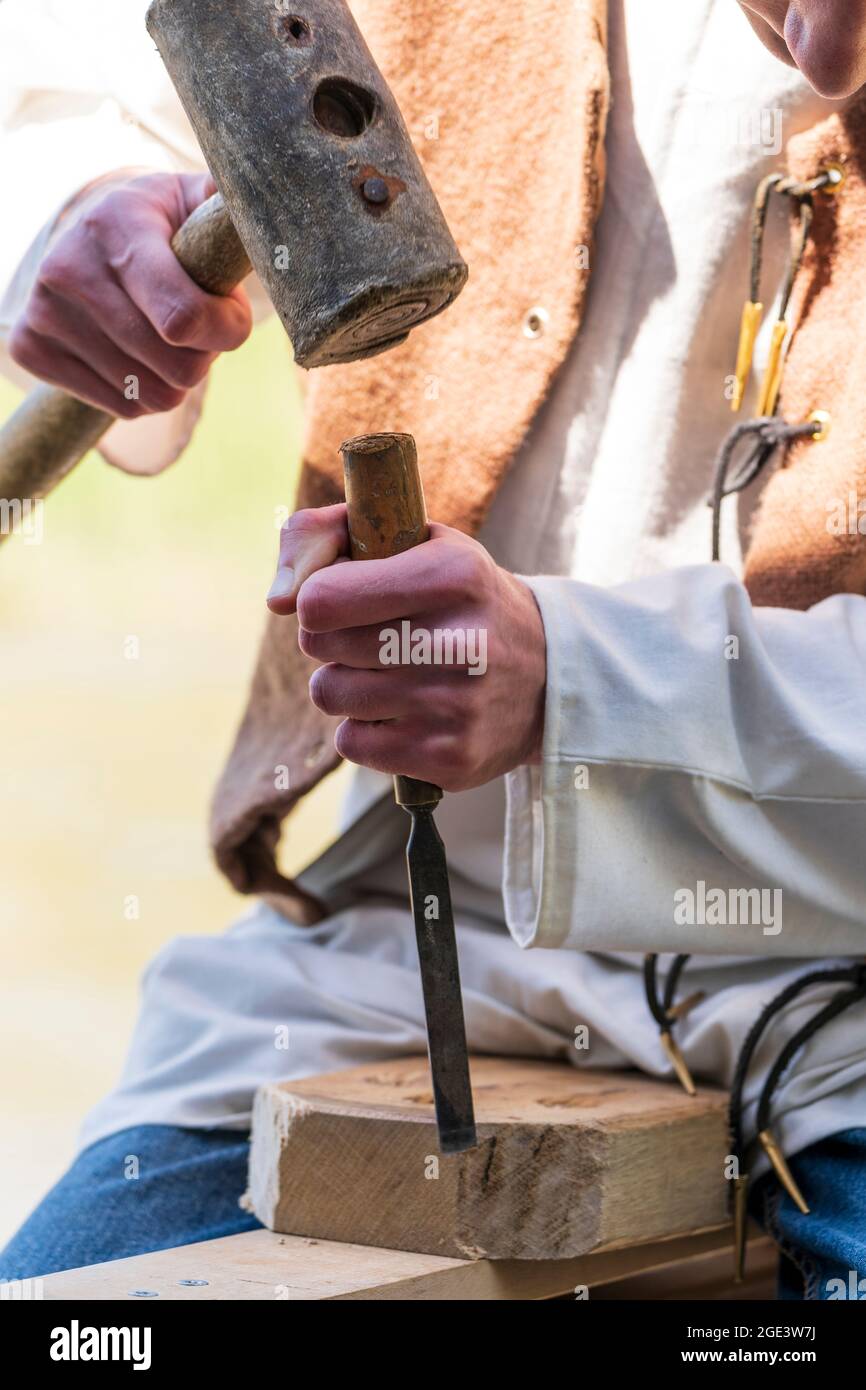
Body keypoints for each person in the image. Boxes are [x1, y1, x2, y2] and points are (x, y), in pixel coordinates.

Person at [2, 0, 866, 1301]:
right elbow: (84, 74)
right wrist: (93, 215)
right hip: (402, 961)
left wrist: (575, 681)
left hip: (837, 1006)